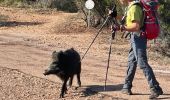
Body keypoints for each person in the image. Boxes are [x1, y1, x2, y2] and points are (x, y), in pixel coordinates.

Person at [109, 0, 163, 99]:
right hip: (136, 37)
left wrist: (119, 28)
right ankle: (127, 87)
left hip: (138, 37)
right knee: (131, 62)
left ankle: (155, 88)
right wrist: (115, 15)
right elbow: (129, 20)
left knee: (142, 62)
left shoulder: (134, 7)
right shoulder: (132, 6)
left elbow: (135, 26)